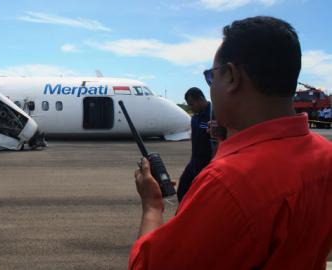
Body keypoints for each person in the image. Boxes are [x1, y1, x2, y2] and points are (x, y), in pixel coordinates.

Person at [129, 16, 332, 269]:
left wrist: (152, 205)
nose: (211, 87)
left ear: (233, 77)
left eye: (211, 76)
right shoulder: (326, 154)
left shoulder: (228, 182)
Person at [177, 87, 212, 202]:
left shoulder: (215, 115)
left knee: (202, 197)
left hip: (208, 165)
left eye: (192, 104)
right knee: (182, 190)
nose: (190, 108)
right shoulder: (195, 118)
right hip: (194, 163)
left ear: (200, 99)